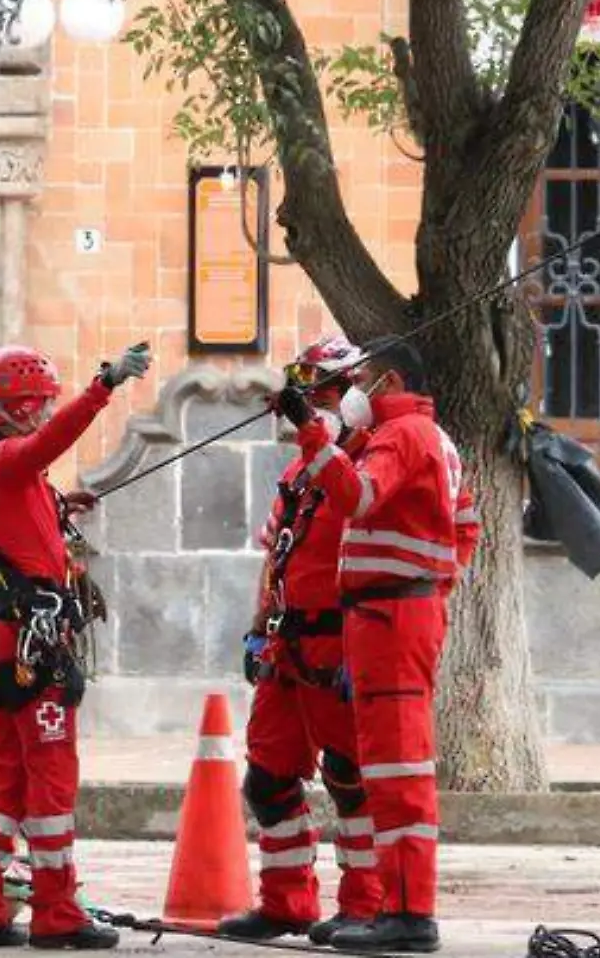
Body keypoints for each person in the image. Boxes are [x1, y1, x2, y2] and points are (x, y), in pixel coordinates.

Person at [0, 341, 152, 951]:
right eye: (37, 406)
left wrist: (59, 503)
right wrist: (104, 385)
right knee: (50, 778)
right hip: (29, 643)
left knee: (5, 779)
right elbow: (47, 445)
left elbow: (18, 518)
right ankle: (57, 912)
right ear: (13, 409)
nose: (43, 415)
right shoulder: (6, 460)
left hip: (10, 639)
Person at [272, 337, 466, 954]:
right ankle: (395, 905)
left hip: (392, 614)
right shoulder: (416, 437)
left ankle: (409, 913)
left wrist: (311, 433)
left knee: (395, 766)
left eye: (359, 380)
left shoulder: (404, 435)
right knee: (384, 764)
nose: (351, 391)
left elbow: (356, 496)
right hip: (391, 613)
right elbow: (466, 528)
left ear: (386, 381)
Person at [220, 336, 383, 945]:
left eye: (319, 394)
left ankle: (367, 907)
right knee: (267, 779)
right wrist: (257, 627)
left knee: (350, 780)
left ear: (350, 393)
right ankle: (286, 904)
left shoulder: (366, 464)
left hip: (337, 649)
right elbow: (275, 556)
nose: (307, 408)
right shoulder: (298, 473)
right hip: (287, 649)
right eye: (303, 395)